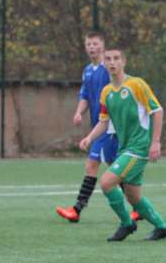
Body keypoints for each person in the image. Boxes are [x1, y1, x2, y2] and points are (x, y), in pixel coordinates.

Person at [77, 48, 166, 241]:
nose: (112, 62)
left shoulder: (136, 84)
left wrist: (155, 142)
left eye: (116, 58)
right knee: (133, 197)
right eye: (108, 59)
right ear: (104, 63)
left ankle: (127, 223)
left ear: (123, 62)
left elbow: (157, 111)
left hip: (139, 147)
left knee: (106, 183)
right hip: (125, 148)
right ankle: (162, 227)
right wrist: (89, 138)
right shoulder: (106, 92)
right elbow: (104, 122)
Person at [56, 31, 140, 223]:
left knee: (92, 165)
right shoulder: (88, 70)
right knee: (114, 169)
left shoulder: (109, 68)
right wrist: (79, 112)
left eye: (95, 44)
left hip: (110, 127)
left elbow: (122, 88)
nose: (91, 47)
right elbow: (85, 95)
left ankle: (77, 209)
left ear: (102, 46)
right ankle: (138, 207)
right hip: (100, 126)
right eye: (88, 44)